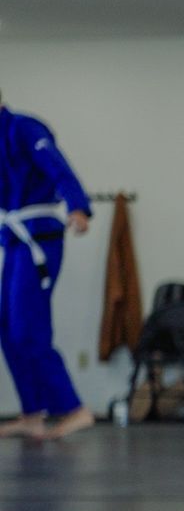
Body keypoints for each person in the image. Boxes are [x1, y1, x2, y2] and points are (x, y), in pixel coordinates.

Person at [0, 95, 94, 441]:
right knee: (7, 327)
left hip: (39, 239)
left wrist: (78, 206)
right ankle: (32, 415)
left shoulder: (24, 127)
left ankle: (74, 409)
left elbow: (57, 166)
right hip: (13, 240)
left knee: (28, 328)